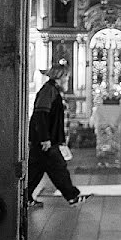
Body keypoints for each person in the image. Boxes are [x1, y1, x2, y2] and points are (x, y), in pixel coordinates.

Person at [27, 64, 92, 208]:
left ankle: (26, 197)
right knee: (58, 168)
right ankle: (72, 196)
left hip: (48, 139)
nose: (68, 79)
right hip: (46, 140)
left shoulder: (54, 90)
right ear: (60, 76)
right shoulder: (48, 90)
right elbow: (41, 115)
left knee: (36, 170)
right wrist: (45, 138)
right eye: (66, 76)